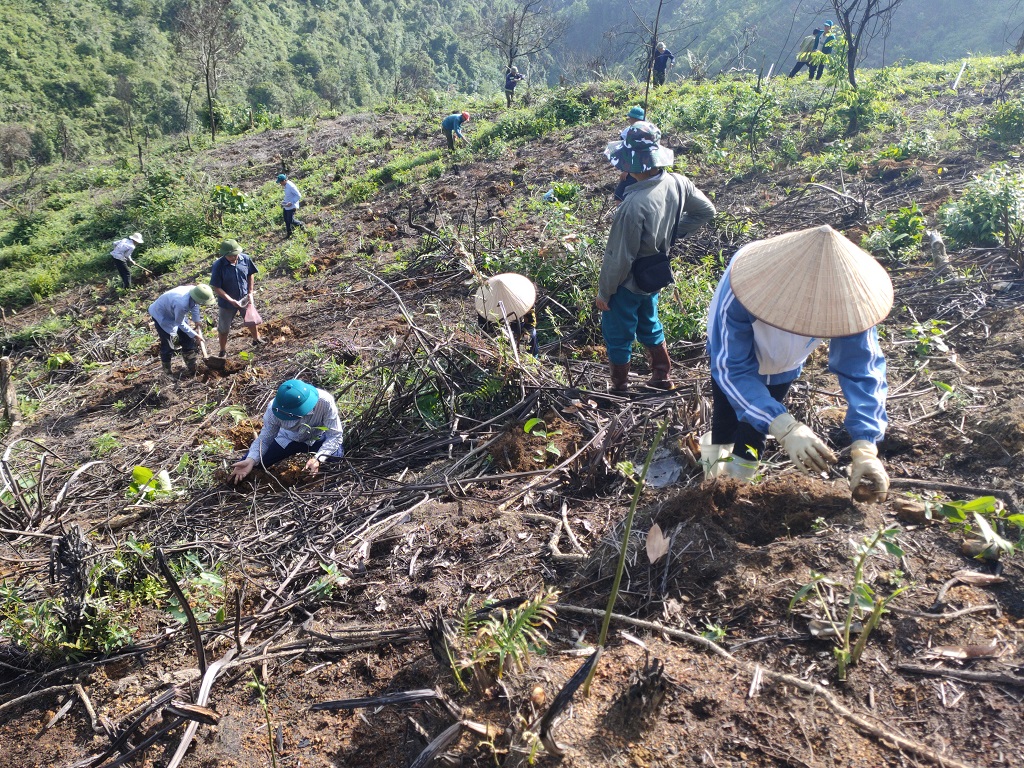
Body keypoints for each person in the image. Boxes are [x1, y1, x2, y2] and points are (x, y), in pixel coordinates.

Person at [702, 225, 892, 503]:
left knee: (754, 431)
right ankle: (713, 482)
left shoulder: (851, 299)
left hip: (785, 364)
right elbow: (732, 369)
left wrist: (865, 444)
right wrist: (784, 427)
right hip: (734, 358)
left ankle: (738, 487)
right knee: (727, 420)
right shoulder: (741, 286)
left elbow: (863, 370)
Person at [597, 122, 716, 392]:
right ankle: (662, 376)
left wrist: (605, 293)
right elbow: (706, 211)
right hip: (654, 272)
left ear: (630, 164)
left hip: (626, 282)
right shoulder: (678, 183)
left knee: (618, 333)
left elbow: (619, 257)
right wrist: (671, 234)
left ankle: (619, 387)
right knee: (649, 321)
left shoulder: (632, 206)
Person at [230, 379, 345, 483]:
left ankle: (320, 481)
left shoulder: (325, 402)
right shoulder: (273, 409)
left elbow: (335, 436)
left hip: (315, 438)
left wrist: (318, 459)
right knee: (248, 464)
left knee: (335, 457)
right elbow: (265, 439)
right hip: (286, 439)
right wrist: (251, 459)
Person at [148, 283, 215, 376]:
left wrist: (197, 320)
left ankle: (192, 367)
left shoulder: (195, 292)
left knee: (188, 339)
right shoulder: (181, 303)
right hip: (161, 314)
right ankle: (167, 372)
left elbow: (195, 305)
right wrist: (195, 335)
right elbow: (179, 323)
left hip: (175, 311)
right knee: (168, 344)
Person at [210, 239, 262, 356]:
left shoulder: (245, 259)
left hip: (244, 298)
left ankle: (256, 339)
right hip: (227, 303)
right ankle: (222, 350)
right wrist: (230, 300)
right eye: (230, 256)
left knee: (251, 320)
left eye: (235, 254)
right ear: (224, 255)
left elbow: (250, 274)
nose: (234, 257)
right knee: (224, 329)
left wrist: (250, 292)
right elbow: (216, 287)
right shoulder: (218, 266)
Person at [475, 273, 540, 355]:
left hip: (515, 325)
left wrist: (525, 334)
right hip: (494, 328)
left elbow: (530, 322)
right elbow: (483, 327)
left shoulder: (522, 300)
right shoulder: (485, 301)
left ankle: (534, 356)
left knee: (532, 334)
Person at [614, 106, 646, 202]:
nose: (629, 120)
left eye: (630, 118)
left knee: (619, 195)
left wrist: (626, 170)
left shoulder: (629, 132)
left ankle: (621, 215)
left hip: (635, 168)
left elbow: (627, 151)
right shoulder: (650, 129)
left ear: (634, 118)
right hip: (648, 168)